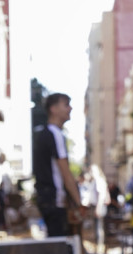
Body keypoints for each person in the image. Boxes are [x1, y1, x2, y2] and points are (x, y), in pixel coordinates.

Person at [32, 92, 83, 236]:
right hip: (54, 201)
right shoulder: (55, 134)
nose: (70, 108)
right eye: (66, 105)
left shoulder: (45, 134)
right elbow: (65, 173)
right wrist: (78, 204)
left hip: (47, 199)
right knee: (60, 247)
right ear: (53, 109)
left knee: (56, 245)